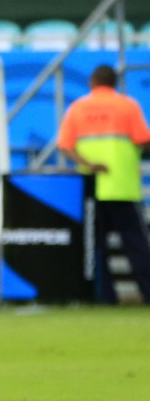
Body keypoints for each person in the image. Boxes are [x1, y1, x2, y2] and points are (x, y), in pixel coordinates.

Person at [56, 66, 150, 304]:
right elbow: (144, 140)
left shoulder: (77, 108)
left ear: (92, 81)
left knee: (96, 248)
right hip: (123, 188)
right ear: (114, 82)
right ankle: (148, 293)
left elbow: (65, 146)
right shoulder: (128, 106)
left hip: (91, 189)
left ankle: (104, 297)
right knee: (137, 245)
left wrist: (89, 164)